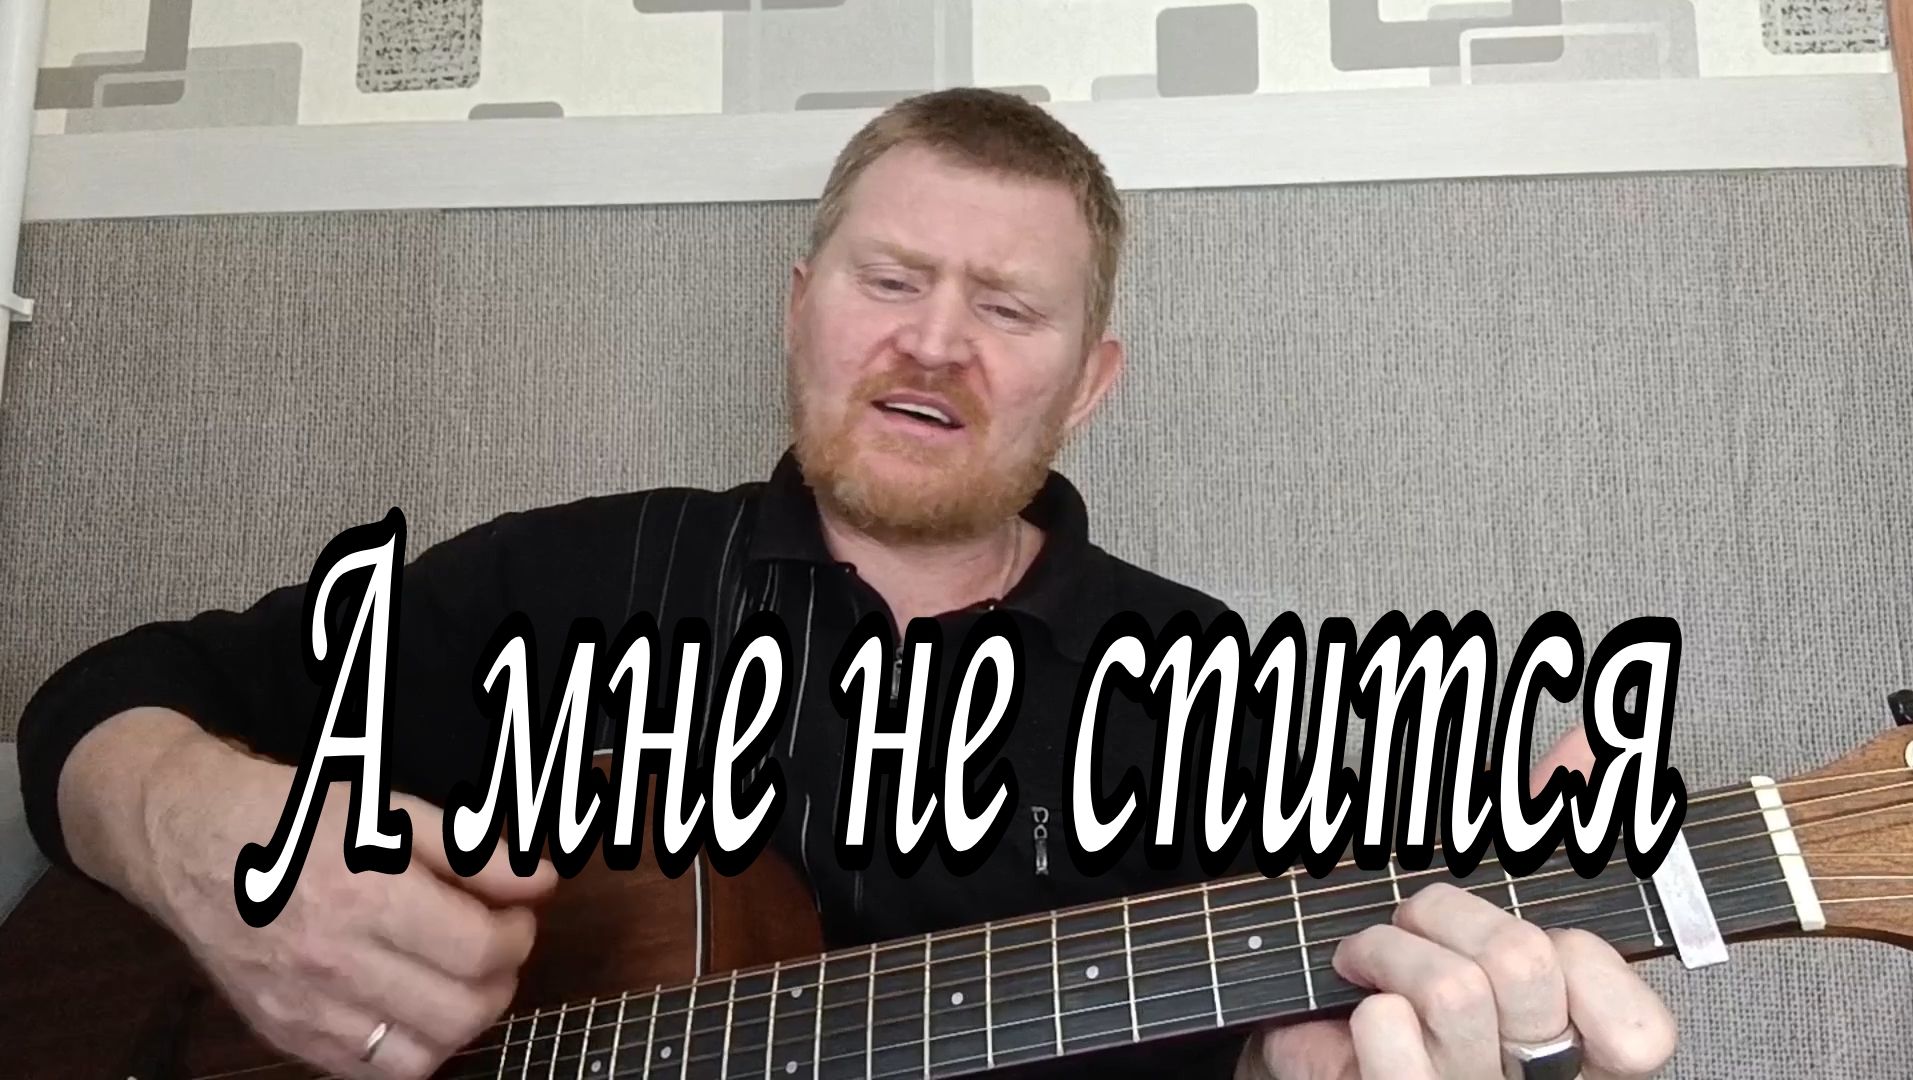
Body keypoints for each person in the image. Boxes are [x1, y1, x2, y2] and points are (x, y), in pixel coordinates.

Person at [15, 88, 1675, 1080]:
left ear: (1090, 383)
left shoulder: (1219, 695)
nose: (935, 344)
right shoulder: (564, 575)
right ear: (800, 304)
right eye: (890, 280)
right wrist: (195, 831)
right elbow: (97, 702)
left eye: (1007, 309)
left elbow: (1283, 1047)